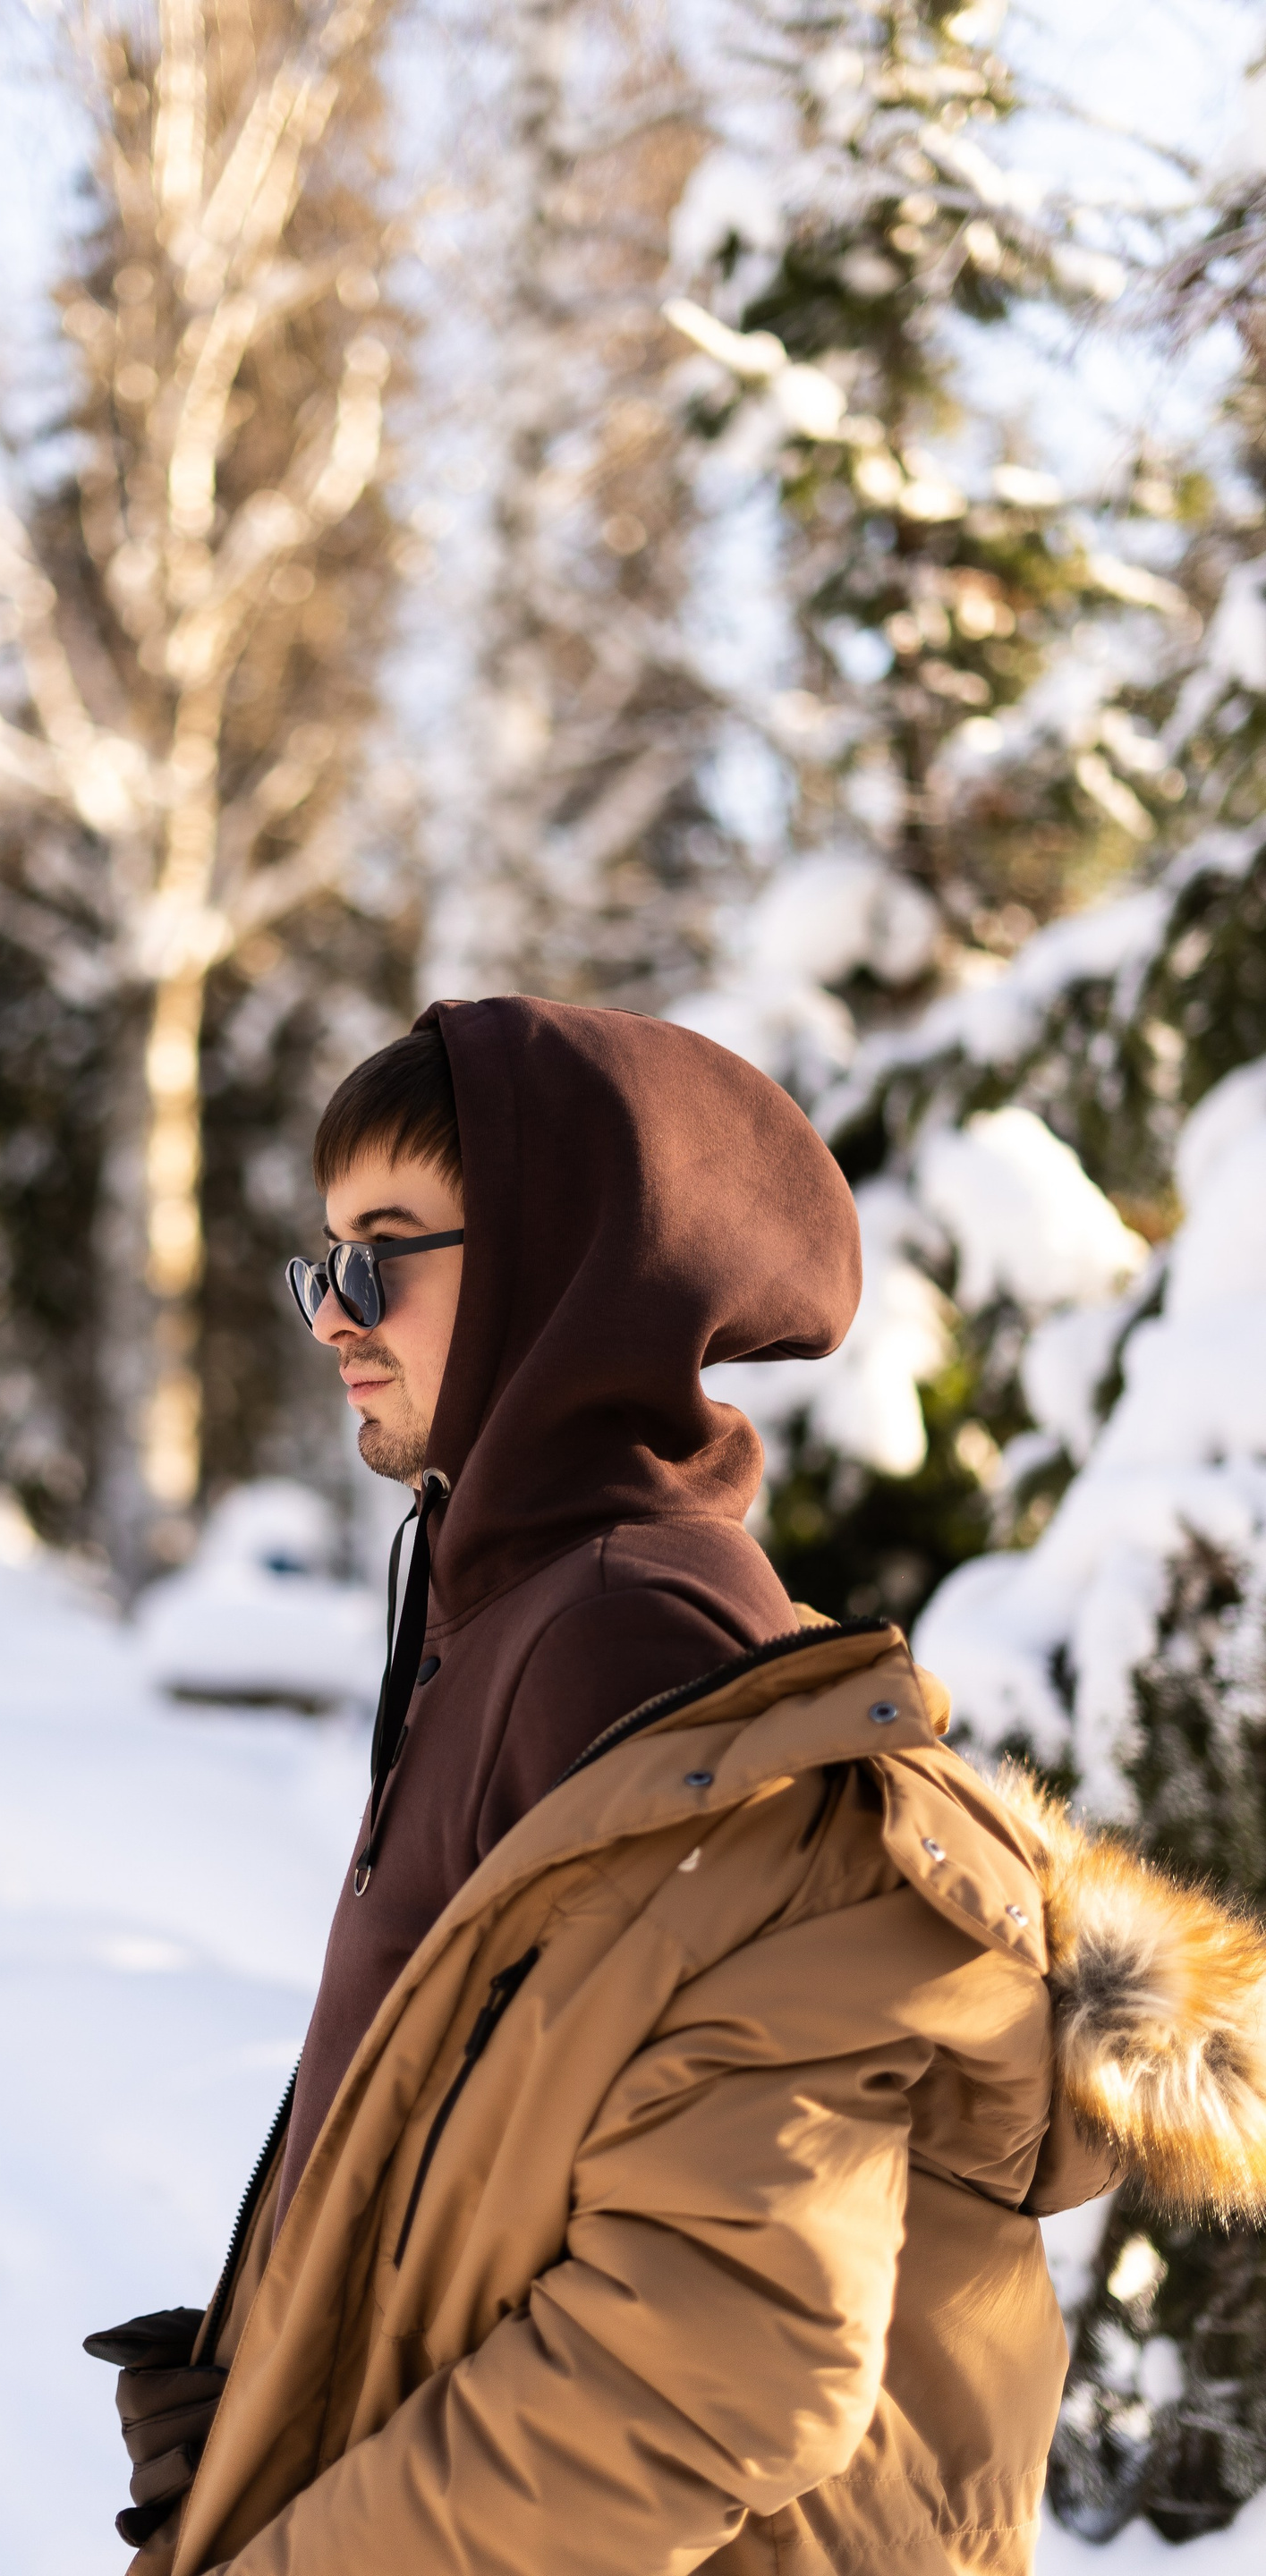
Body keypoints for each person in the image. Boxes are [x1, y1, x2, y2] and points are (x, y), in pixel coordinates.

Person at [89, 996, 1266, 2576]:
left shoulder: (630, 1639)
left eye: (382, 1255)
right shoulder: (502, 1611)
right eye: (323, 1264)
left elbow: (711, 2351)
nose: (332, 1318)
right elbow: (499, 2164)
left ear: (561, 1265)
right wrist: (272, 2402)